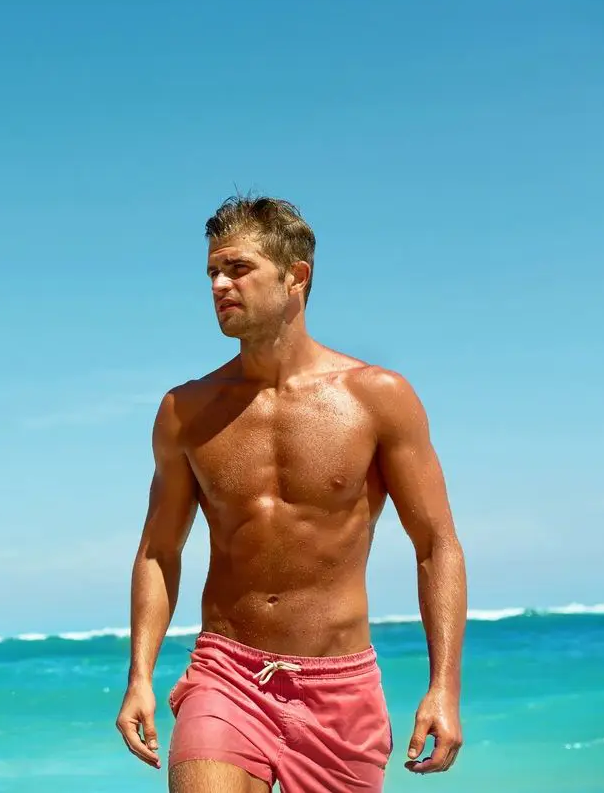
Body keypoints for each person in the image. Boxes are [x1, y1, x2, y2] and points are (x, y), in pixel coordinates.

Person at [114, 194, 467, 792]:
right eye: (211, 272)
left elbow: (436, 545)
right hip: (226, 675)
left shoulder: (376, 398)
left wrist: (443, 688)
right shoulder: (186, 411)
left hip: (340, 688)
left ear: (296, 276)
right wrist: (140, 676)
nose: (219, 284)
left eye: (238, 268)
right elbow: (158, 551)